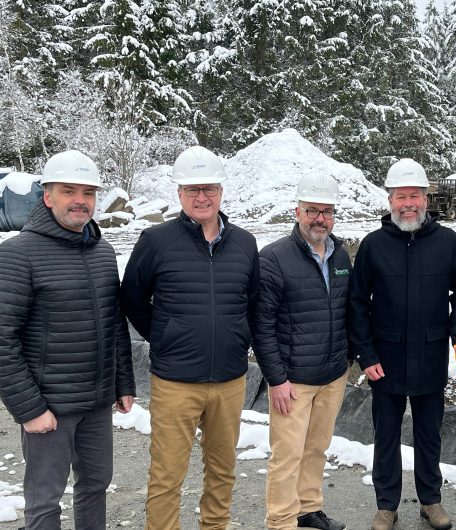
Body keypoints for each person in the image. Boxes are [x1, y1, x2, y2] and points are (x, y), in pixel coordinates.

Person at [121, 145, 263, 529]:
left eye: (209, 189)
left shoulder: (245, 243)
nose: (202, 197)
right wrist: (165, 336)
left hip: (230, 380)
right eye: (192, 190)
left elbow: (253, 302)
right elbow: (132, 298)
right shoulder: (156, 241)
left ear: (221, 191)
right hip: (175, 382)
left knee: (223, 470)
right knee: (167, 475)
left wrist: (240, 338)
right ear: (179, 193)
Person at [0, 150, 136, 529]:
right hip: (49, 407)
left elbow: (114, 322)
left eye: (88, 193)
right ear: (47, 196)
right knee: (45, 500)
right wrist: (30, 409)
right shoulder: (17, 255)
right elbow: (2, 340)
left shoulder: (103, 252)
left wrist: (123, 383)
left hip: (96, 404)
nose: (80, 200)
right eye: (68, 191)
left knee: (95, 485)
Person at [348, 158, 456, 530]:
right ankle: (386, 506)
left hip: (430, 355)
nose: (408, 203)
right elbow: (357, 303)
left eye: (415, 196)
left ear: (425, 199)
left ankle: (430, 501)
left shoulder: (447, 243)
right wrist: (365, 354)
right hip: (385, 359)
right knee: (385, 436)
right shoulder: (373, 246)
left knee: (429, 434)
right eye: (401, 196)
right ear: (390, 200)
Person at [253, 174, 351, 530]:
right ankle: (281, 520)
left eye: (326, 212)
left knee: (316, 448)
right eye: (312, 211)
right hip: (292, 380)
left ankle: (308, 509)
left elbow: (348, 309)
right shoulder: (274, 258)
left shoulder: (340, 255)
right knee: (288, 454)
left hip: (332, 374)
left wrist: (348, 359)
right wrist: (276, 379)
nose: (319, 219)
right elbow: (262, 325)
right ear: (298, 212)